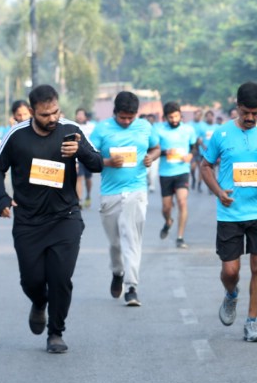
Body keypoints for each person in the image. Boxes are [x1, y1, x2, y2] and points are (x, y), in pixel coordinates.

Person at [0, 85, 104, 353]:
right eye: (44, 115)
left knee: (61, 278)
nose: (52, 119)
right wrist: (2, 199)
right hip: (28, 222)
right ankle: (39, 303)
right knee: (32, 280)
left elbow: (97, 163)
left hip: (65, 218)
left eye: (55, 112)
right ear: (31, 112)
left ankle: (56, 333)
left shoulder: (70, 130)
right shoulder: (16, 136)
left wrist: (80, 152)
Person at [201, 82, 257, 343]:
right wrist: (218, 192)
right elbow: (205, 166)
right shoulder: (221, 135)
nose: (249, 118)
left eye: (255, 113)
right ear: (236, 106)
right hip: (230, 213)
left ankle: (251, 323)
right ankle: (231, 294)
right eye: (245, 112)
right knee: (230, 271)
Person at [89, 91, 160, 307]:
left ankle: (132, 287)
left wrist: (150, 157)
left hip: (136, 190)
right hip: (110, 192)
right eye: (123, 118)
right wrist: (108, 162)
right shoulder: (102, 129)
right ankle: (117, 272)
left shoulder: (145, 127)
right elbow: (89, 156)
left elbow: (157, 148)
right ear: (114, 113)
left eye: (131, 117)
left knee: (132, 238)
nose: (127, 122)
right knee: (115, 243)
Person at [154, 101, 198, 249]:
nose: (174, 120)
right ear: (165, 117)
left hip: (182, 171)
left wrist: (191, 156)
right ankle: (168, 221)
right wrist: (166, 152)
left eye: (176, 116)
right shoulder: (158, 130)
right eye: (170, 117)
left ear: (180, 115)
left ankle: (180, 237)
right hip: (165, 172)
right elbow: (152, 150)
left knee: (182, 202)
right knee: (166, 208)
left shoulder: (188, 130)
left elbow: (193, 147)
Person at [73, 107, 96, 209]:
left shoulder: (92, 127)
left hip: (89, 155)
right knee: (79, 177)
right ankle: (80, 200)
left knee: (88, 179)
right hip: (78, 156)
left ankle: (88, 195)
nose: (80, 116)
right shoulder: (73, 126)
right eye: (78, 114)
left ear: (85, 116)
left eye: (82, 114)